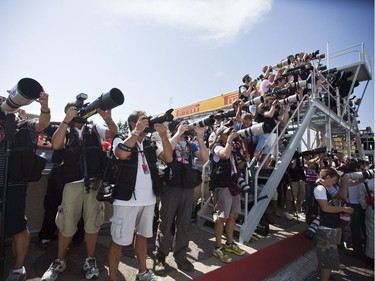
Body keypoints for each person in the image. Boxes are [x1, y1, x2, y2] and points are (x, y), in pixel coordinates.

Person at [41, 102, 118, 281]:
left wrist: (108, 119)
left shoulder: (94, 128)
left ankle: (90, 260)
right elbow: (56, 144)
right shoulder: (64, 129)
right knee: (67, 222)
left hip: (94, 183)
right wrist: (67, 120)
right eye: (75, 109)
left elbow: (114, 135)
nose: (80, 112)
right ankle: (60, 260)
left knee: (93, 224)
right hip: (72, 184)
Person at [107, 110, 173, 281]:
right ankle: (112, 277)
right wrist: (136, 133)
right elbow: (122, 154)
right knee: (118, 242)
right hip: (126, 200)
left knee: (143, 237)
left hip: (148, 199)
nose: (148, 123)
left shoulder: (151, 143)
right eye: (143, 120)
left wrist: (164, 136)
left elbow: (168, 158)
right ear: (133, 123)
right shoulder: (120, 138)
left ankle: (142, 273)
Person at [0, 92, 51, 281]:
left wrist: (44, 106)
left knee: (18, 226)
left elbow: (43, 124)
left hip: (14, 185)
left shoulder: (22, 126)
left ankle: (18, 268)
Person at [153, 119, 208, 275]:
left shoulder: (191, 145)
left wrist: (200, 137)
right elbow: (166, 153)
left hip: (187, 187)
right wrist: (178, 133)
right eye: (183, 124)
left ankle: (181, 256)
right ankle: (160, 256)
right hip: (171, 187)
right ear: (175, 128)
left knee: (184, 223)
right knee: (165, 222)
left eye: (187, 124)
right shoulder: (167, 140)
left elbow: (205, 157)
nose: (187, 126)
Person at [209, 124, 246, 263]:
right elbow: (224, 155)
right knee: (221, 217)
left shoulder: (232, 148)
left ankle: (229, 244)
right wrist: (231, 140)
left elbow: (235, 167)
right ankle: (217, 247)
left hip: (233, 185)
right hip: (222, 186)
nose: (230, 134)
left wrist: (243, 160)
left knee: (233, 215)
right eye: (226, 133)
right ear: (220, 136)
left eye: (230, 133)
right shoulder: (217, 147)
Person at [312, 167, 354, 281]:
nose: (335, 183)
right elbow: (325, 208)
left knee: (327, 260)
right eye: (334, 180)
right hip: (325, 229)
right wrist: (343, 209)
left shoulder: (325, 188)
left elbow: (339, 198)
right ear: (328, 177)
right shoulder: (320, 189)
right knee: (327, 261)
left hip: (328, 227)